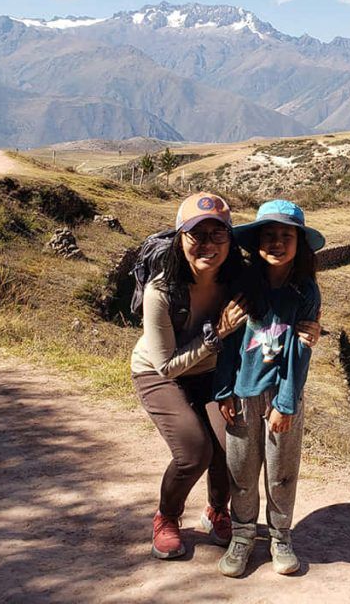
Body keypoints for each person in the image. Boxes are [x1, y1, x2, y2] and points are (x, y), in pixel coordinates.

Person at [130, 192, 245, 560]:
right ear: (180, 238)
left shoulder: (236, 278)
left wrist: (308, 324)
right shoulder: (161, 290)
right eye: (197, 235)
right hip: (158, 372)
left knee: (233, 447)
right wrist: (216, 335)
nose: (208, 245)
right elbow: (167, 365)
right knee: (195, 451)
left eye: (218, 234)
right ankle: (167, 517)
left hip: (210, 373)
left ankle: (216, 511)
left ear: (230, 239)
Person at [215, 199, 324, 578]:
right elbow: (229, 341)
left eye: (286, 236)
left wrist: (286, 403)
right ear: (257, 242)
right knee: (241, 471)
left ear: (299, 243)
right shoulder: (244, 286)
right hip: (243, 394)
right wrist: (224, 390)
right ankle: (243, 536)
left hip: (282, 396)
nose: (277, 242)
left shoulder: (305, 292)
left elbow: (299, 354)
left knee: (281, 471)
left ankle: (280, 536)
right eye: (269, 235)